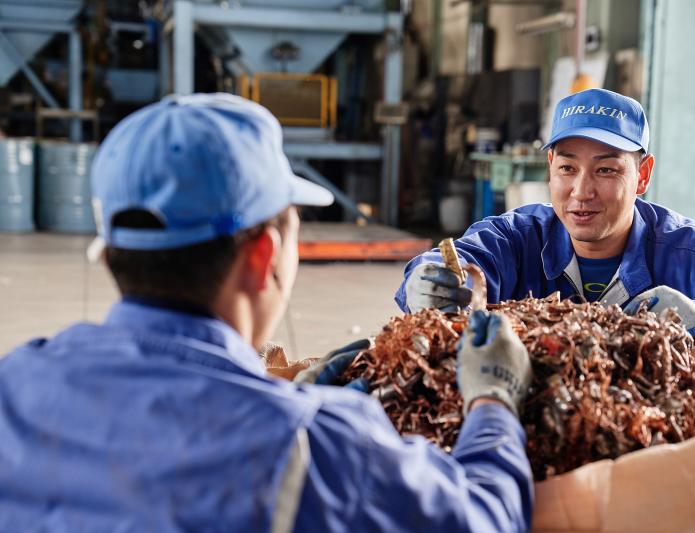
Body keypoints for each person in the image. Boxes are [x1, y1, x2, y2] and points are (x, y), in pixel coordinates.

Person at [0, 94, 535, 531]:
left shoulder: (16, 384)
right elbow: (485, 519)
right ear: (264, 256)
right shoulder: (310, 449)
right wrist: (493, 399)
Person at [398, 88, 695, 369]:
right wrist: (432, 279)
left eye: (606, 170)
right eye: (567, 168)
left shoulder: (694, 254)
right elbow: (461, 261)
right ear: (550, 167)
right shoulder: (516, 238)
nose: (581, 191)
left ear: (643, 175)